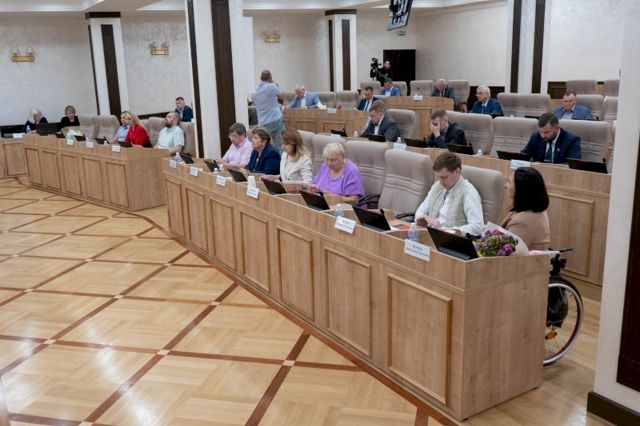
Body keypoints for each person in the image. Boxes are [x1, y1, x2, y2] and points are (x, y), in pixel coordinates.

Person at [414, 152, 484, 236]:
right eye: (438, 177)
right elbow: (420, 211)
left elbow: (477, 227)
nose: (440, 182)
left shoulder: (468, 192)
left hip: (451, 240)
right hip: (431, 234)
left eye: (444, 177)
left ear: (457, 171)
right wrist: (422, 219)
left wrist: (443, 229)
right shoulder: (437, 186)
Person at [501, 167, 550, 250]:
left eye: (509, 182)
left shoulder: (522, 222)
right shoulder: (531, 208)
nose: (505, 186)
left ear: (521, 188)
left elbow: (507, 252)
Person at [252, 70, 284, 152]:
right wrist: (274, 83)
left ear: (260, 78)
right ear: (270, 77)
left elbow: (255, 103)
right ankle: (281, 160)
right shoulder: (272, 86)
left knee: (264, 147)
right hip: (274, 120)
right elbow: (282, 96)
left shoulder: (255, 91)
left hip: (262, 123)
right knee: (280, 145)